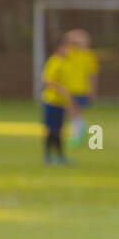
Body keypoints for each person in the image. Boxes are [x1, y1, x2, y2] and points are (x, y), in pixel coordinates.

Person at [39, 36, 78, 166]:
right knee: (51, 130)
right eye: (65, 47)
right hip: (52, 102)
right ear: (58, 48)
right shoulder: (54, 61)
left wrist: (69, 102)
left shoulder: (66, 62)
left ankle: (61, 157)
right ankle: (47, 157)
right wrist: (61, 89)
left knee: (59, 130)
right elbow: (47, 81)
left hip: (61, 103)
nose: (67, 49)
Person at [63, 29, 99, 148]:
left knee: (76, 111)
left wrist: (92, 90)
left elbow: (92, 74)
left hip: (82, 89)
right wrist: (75, 38)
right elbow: (65, 38)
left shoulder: (88, 56)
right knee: (70, 112)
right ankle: (79, 130)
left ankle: (77, 134)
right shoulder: (69, 52)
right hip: (68, 88)